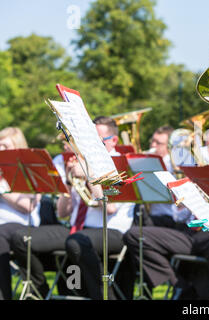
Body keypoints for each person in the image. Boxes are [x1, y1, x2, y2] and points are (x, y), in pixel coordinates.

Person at [11, 116, 134, 300]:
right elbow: (62, 213)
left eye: (96, 139)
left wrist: (89, 174)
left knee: (76, 242)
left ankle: (103, 296)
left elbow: (109, 207)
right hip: (77, 230)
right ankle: (40, 294)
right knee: (22, 238)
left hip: (112, 230)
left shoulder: (119, 162)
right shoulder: (82, 161)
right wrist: (68, 182)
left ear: (113, 140)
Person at [123, 126, 209, 299]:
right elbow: (178, 217)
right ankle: (178, 285)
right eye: (207, 145)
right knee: (135, 236)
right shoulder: (199, 171)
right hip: (193, 233)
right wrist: (187, 199)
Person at [0, 127, 41, 300]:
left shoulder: (29, 170)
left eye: (5, 146)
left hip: (23, 224)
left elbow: (27, 206)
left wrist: (1, 186)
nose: (0, 150)